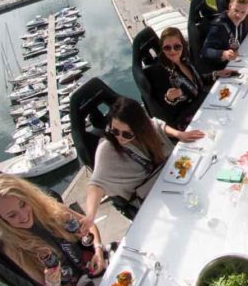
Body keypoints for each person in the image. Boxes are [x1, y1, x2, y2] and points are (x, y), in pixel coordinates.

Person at [81, 98, 203, 236]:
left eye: (127, 133)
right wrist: (90, 215)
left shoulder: (147, 129)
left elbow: (157, 125)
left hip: (170, 178)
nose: (120, 137)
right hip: (151, 198)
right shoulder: (106, 149)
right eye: (115, 131)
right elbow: (96, 184)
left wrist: (179, 134)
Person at [0, 173, 106, 286]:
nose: (23, 216)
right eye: (12, 215)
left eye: (23, 204)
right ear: (1, 219)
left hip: (93, 263)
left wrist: (98, 251)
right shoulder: (13, 249)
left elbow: (89, 225)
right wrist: (52, 282)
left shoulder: (50, 207)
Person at [145, 27, 237, 130]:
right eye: (167, 47)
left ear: (183, 46)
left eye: (177, 46)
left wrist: (217, 73)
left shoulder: (184, 60)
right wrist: (169, 98)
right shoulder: (160, 73)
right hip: (189, 119)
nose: (172, 51)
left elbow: (195, 82)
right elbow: (165, 111)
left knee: (233, 103)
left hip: (202, 103)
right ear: (162, 49)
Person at [201, 0, 248, 71]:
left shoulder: (241, 21)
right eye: (236, 10)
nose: (239, 15)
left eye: (243, 12)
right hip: (222, 68)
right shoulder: (218, 27)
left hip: (237, 62)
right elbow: (205, 51)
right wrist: (223, 53)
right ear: (230, 6)